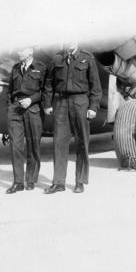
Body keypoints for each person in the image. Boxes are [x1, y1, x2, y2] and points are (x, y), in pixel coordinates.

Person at [43, 41, 102, 194]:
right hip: (61, 102)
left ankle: (80, 181)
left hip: (80, 102)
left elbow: (95, 85)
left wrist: (93, 107)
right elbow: (49, 82)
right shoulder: (57, 58)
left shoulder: (87, 57)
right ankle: (58, 182)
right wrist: (48, 104)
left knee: (82, 143)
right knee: (59, 143)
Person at [6, 47, 46, 194]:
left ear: (30, 51)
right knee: (15, 146)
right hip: (15, 110)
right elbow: (10, 90)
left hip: (33, 109)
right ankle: (18, 182)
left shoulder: (41, 68)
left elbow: (45, 90)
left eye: (21, 50)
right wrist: (10, 107)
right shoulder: (15, 68)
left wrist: (31, 100)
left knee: (33, 145)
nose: (18, 52)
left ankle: (30, 180)